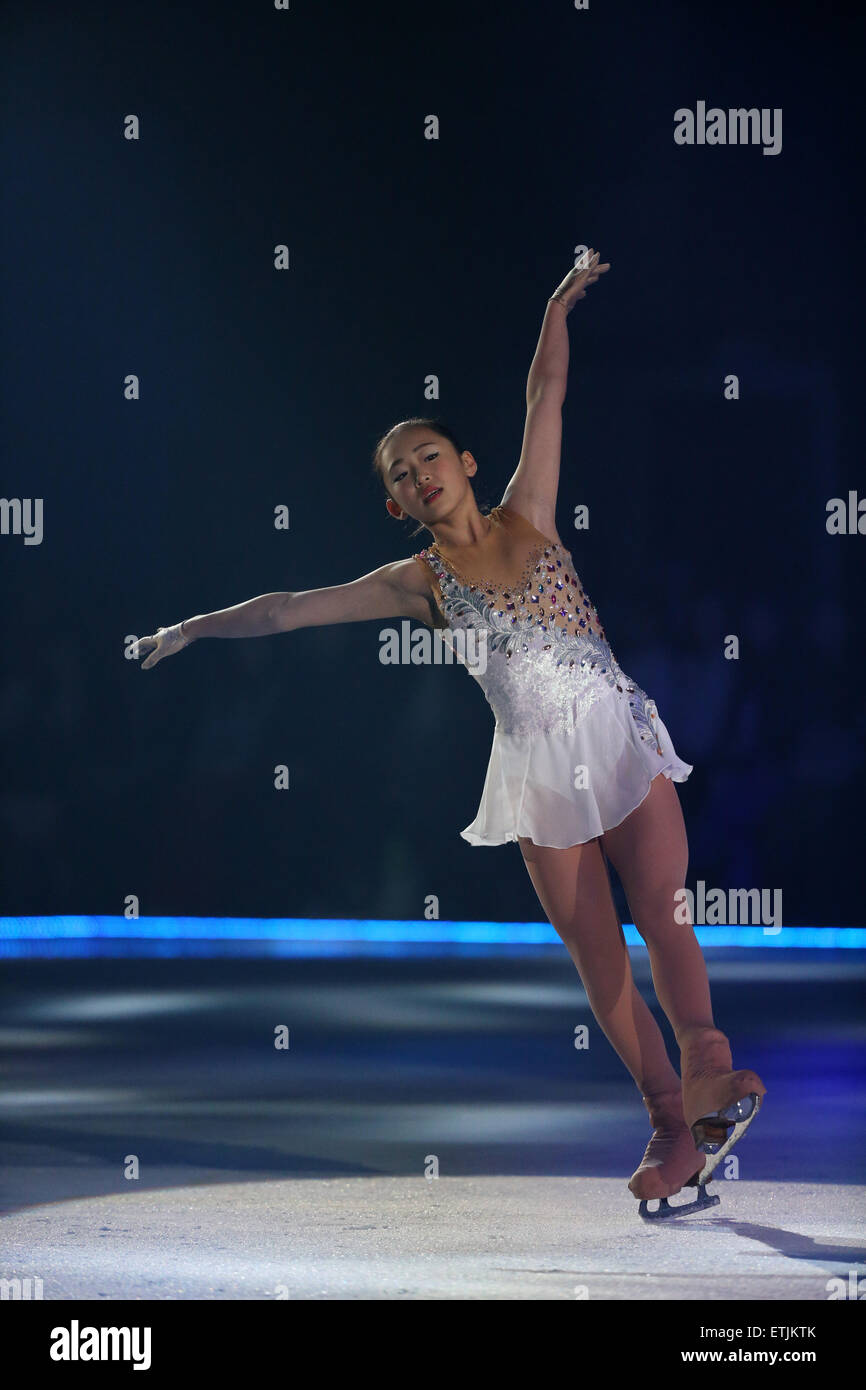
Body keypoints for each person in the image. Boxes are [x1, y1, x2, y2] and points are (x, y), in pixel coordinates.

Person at [137, 248, 766, 1210]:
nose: (421, 473)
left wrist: (556, 304)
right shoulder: (416, 585)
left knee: (665, 911)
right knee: (602, 967)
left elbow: (546, 392)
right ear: (397, 503)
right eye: (402, 473)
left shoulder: (534, 512)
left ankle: (710, 1071)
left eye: (429, 454)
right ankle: (674, 1128)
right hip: (537, 778)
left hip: (619, 736)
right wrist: (190, 627)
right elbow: (286, 608)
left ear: (464, 463)